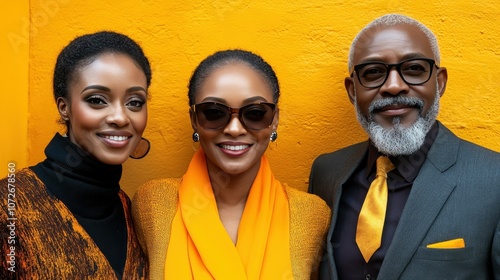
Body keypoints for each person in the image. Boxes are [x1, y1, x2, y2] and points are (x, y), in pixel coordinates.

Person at [308, 14, 500, 280]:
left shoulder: (494, 180)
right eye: (373, 72)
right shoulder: (326, 173)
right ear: (353, 91)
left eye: (414, 69)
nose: (394, 86)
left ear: (439, 82)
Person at [132, 49, 330, 279]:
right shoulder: (153, 204)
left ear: (274, 120)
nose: (234, 129)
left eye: (255, 113)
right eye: (214, 112)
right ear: (194, 120)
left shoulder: (312, 215)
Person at [0, 31, 151, 279]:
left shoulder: (131, 210)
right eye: (97, 100)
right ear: (65, 107)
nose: (121, 117)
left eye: (135, 102)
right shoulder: (9, 205)